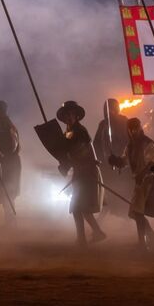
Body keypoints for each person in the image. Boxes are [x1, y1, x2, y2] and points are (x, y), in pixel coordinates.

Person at [109, 118, 154, 251]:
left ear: (140, 128)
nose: (134, 131)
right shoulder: (130, 146)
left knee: (137, 212)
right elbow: (124, 161)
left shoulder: (148, 143)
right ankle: (152, 238)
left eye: (136, 128)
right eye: (131, 128)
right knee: (136, 213)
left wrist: (142, 174)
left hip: (149, 181)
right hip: (140, 183)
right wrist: (115, 161)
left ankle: (143, 243)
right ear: (128, 130)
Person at [57, 101, 106, 247]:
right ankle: (93, 234)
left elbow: (84, 151)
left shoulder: (80, 131)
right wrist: (65, 162)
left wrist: (69, 164)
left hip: (87, 171)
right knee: (80, 208)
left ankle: (83, 238)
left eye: (71, 114)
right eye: (66, 114)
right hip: (80, 171)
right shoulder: (68, 132)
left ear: (76, 115)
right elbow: (67, 151)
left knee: (78, 207)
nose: (69, 117)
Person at [93, 98, 131, 217]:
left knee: (125, 193)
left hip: (123, 165)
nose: (109, 112)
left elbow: (130, 142)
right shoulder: (103, 124)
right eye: (107, 109)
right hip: (106, 165)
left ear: (116, 109)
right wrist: (97, 159)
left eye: (111, 109)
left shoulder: (124, 122)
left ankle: (127, 219)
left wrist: (122, 159)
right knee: (109, 193)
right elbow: (96, 144)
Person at [0, 101, 21, 227]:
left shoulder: (8, 127)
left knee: (9, 192)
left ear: (1, 111)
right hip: (6, 162)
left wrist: (2, 154)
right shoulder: (1, 126)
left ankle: (11, 221)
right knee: (6, 192)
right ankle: (9, 220)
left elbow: (12, 146)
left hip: (10, 163)